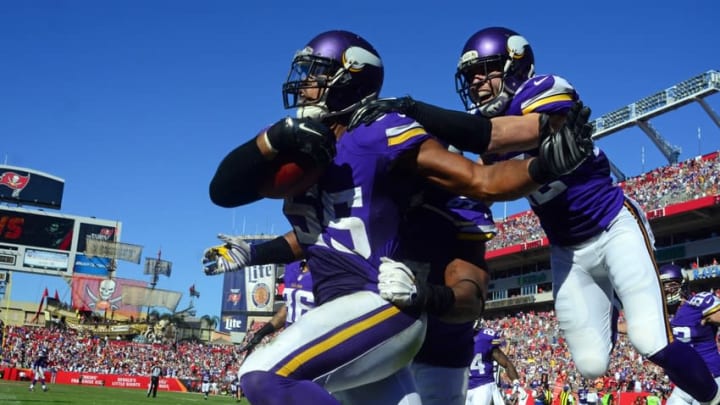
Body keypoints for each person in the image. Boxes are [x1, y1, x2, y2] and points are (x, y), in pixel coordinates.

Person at [205, 29, 593, 405]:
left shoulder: (380, 132)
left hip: (380, 304)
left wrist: (542, 167)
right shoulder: (298, 144)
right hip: (340, 316)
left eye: (317, 73)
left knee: (261, 375)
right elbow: (224, 192)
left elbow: (481, 179)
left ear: (350, 78)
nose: (304, 84)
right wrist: (270, 145)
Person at [350, 25, 720, 405]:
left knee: (650, 340)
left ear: (515, 64)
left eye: (486, 69)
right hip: (567, 249)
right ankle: (609, 300)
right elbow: (482, 182)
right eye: (470, 75)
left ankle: (713, 395)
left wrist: (416, 110)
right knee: (592, 364)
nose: (477, 82)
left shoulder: (543, 91)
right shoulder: (485, 137)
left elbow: (500, 135)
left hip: (612, 225)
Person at [660, 264, 720, 405]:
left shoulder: (698, 302)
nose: (667, 291)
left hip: (711, 377)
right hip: (685, 385)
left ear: (682, 285)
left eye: (671, 286)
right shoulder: (664, 316)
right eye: (663, 287)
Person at [237, 258, 315, 355]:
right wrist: (261, 333)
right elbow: (288, 308)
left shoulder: (328, 273)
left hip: (312, 345)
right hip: (290, 344)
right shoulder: (292, 267)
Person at [465, 324, 522, 405]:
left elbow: (506, 363)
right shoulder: (452, 341)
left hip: (483, 385)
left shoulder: (484, 338)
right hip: (463, 388)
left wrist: (516, 383)